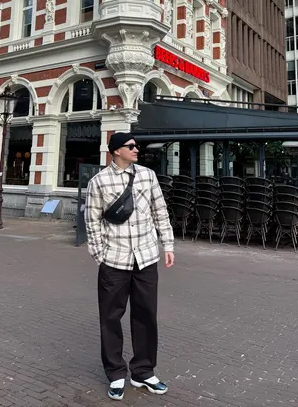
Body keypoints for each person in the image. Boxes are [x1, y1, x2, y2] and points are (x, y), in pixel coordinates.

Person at [85, 132, 174, 401]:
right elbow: (92, 221)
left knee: (146, 314)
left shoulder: (148, 175)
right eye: (131, 146)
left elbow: (160, 211)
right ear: (116, 151)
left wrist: (168, 245)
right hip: (114, 260)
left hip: (145, 258)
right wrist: (100, 255)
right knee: (110, 317)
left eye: (137, 145)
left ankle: (143, 371)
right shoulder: (99, 182)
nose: (137, 149)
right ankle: (115, 374)